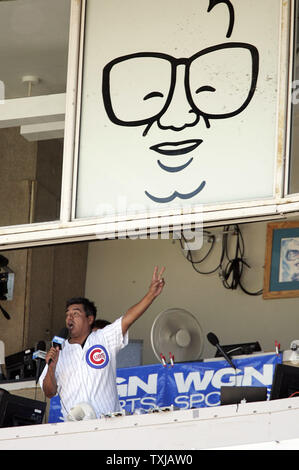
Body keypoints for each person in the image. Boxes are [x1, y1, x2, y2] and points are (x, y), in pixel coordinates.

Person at [39, 266, 165, 420]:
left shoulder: (103, 338)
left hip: (108, 424)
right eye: (67, 315)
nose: (69, 318)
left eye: (76, 314)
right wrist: (51, 367)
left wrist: (151, 294)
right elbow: (49, 392)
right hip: (75, 429)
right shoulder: (58, 350)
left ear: (90, 319)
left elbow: (128, 318)